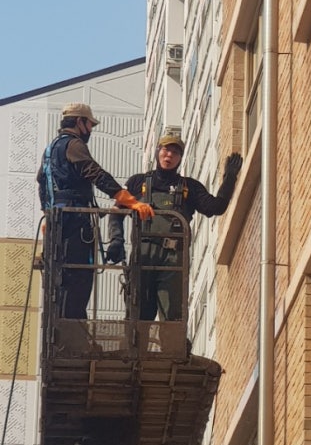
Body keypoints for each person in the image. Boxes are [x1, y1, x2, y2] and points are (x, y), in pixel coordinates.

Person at [106, 132, 243, 321]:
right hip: (143, 256)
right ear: (157, 152)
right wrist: (116, 240)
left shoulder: (190, 187)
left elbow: (215, 207)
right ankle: (133, 349)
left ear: (180, 158)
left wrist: (229, 179)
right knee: (137, 315)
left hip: (173, 260)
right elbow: (117, 212)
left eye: (175, 152)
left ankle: (172, 349)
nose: (169, 155)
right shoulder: (138, 183)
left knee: (172, 318)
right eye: (165, 150)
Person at [37, 103, 155, 319]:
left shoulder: (50, 149)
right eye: (89, 124)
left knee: (61, 282)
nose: (90, 129)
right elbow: (96, 174)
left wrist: (48, 214)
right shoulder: (74, 145)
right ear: (79, 122)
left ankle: (66, 330)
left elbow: (42, 183)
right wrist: (129, 201)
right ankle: (75, 333)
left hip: (58, 226)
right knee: (79, 280)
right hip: (75, 227)